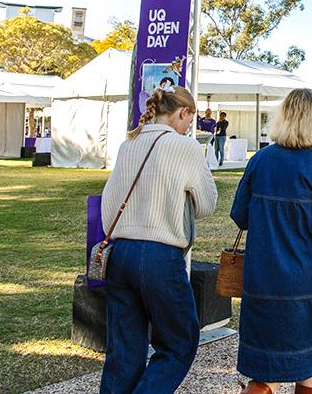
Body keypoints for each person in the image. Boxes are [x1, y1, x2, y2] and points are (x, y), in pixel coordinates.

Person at [231, 88, 312, 394]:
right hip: (305, 290)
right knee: (310, 370)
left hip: (261, 282)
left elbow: (240, 215)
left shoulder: (259, 161)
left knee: (265, 373)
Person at [99, 85, 218, 394]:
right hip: (160, 255)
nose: (187, 128)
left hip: (120, 251)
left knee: (124, 350)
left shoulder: (130, 144)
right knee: (179, 342)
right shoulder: (185, 147)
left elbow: (108, 206)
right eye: (188, 121)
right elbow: (207, 203)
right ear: (183, 113)